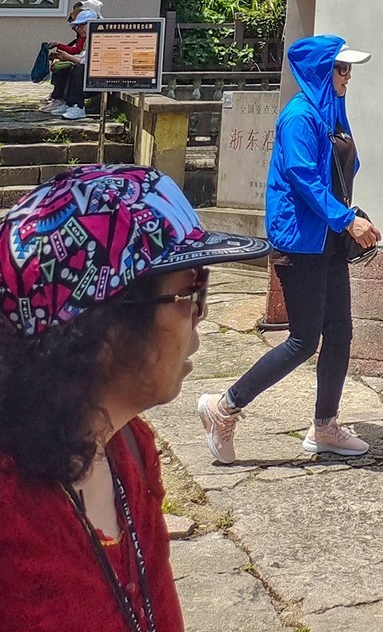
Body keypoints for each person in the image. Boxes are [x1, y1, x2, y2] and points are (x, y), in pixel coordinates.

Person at [0, 163, 268, 631]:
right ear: (103, 330)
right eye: (191, 290)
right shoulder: (11, 510)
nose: (201, 315)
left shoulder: (131, 449)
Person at [198, 35, 381, 462]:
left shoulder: (330, 112)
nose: (348, 76)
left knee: (340, 333)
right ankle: (223, 407)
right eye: (341, 68)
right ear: (321, 71)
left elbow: (340, 171)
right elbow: (303, 178)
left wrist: (348, 219)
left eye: (349, 69)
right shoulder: (300, 115)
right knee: (303, 340)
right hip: (301, 242)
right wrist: (346, 219)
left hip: (327, 239)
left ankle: (325, 427)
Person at [50, 0, 102, 121]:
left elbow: (86, 62)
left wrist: (68, 57)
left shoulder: (98, 38)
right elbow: (83, 56)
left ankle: (78, 106)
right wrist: (65, 58)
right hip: (92, 74)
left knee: (77, 69)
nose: (79, 29)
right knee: (67, 68)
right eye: (78, 26)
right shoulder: (89, 38)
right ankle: (68, 103)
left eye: (82, 25)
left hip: (100, 77)